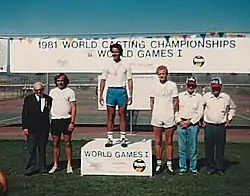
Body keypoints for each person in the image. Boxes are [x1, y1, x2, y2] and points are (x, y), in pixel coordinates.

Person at [99, 43, 133, 148]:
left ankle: (123, 138)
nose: (115, 54)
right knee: (110, 116)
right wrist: (100, 95)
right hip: (111, 91)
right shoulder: (107, 65)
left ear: (120, 52)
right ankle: (110, 139)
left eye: (117, 51)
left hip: (122, 91)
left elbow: (130, 80)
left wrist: (130, 94)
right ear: (111, 53)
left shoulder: (126, 65)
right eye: (113, 52)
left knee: (122, 116)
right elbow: (103, 80)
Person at [202, 77, 236, 175]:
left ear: (220, 87)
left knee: (220, 148)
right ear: (211, 87)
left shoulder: (226, 97)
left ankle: (219, 168)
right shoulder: (206, 97)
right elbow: (201, 107)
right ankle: (210, 168)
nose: (215, 89)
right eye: (213, 88)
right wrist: (202, 119)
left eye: (217, 87)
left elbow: (232, 108)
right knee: (209, 148)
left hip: (221, 126)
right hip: (209, 126)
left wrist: (229, 119)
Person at [150, 65, 178, 174]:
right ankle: (158, 164)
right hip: (157, 117)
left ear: (167, 74)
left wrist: (172, 112)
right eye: (160, 74)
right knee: (157, 141)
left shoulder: (172, 85)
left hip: (169, 117)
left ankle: (169, 165)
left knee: (169, 141)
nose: (162, 76)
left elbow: (176, 100)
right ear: (158, 75)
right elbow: (151, 100)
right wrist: (154, 112)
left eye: (164, 73)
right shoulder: (154, 85)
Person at [22, 82, 52, 175]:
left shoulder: (48, 99)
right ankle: (30, 169)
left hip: (44, 129)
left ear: (43, 89)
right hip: (32, 129)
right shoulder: (28, 99)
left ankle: (43, 168)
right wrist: (25, 127)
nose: (39, 91)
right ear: (34, 90)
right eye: (37, 90)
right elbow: (24, 114)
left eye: (40, 89)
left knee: (42, 149)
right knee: (31, 150)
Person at [48, 73, 77, 174]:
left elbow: (73, 107)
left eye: (62, 80)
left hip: (66, 120)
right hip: (55, 120)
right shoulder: (52, 92)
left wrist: (72, 122)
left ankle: (69, 165)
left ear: (65, 81)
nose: (60, 82)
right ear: (56, 82)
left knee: (67, 143)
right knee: (55, 143)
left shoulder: (70, 92)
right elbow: (48, 105)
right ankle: (55, 165)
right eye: (58, 81)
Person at [175, 77, 203, 175]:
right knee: (181, 148)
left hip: (193, 125)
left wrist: (190, 122)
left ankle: (193, 168)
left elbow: (200, 112)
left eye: (193, 85)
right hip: (181, 124)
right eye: (189, 85)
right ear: (186, 85)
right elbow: (175, 110)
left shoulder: (199, 97)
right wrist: (179, 121)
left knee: (193, 148)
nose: (191, 86)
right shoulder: (180, 96)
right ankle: (182, 168)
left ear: (195, 85)